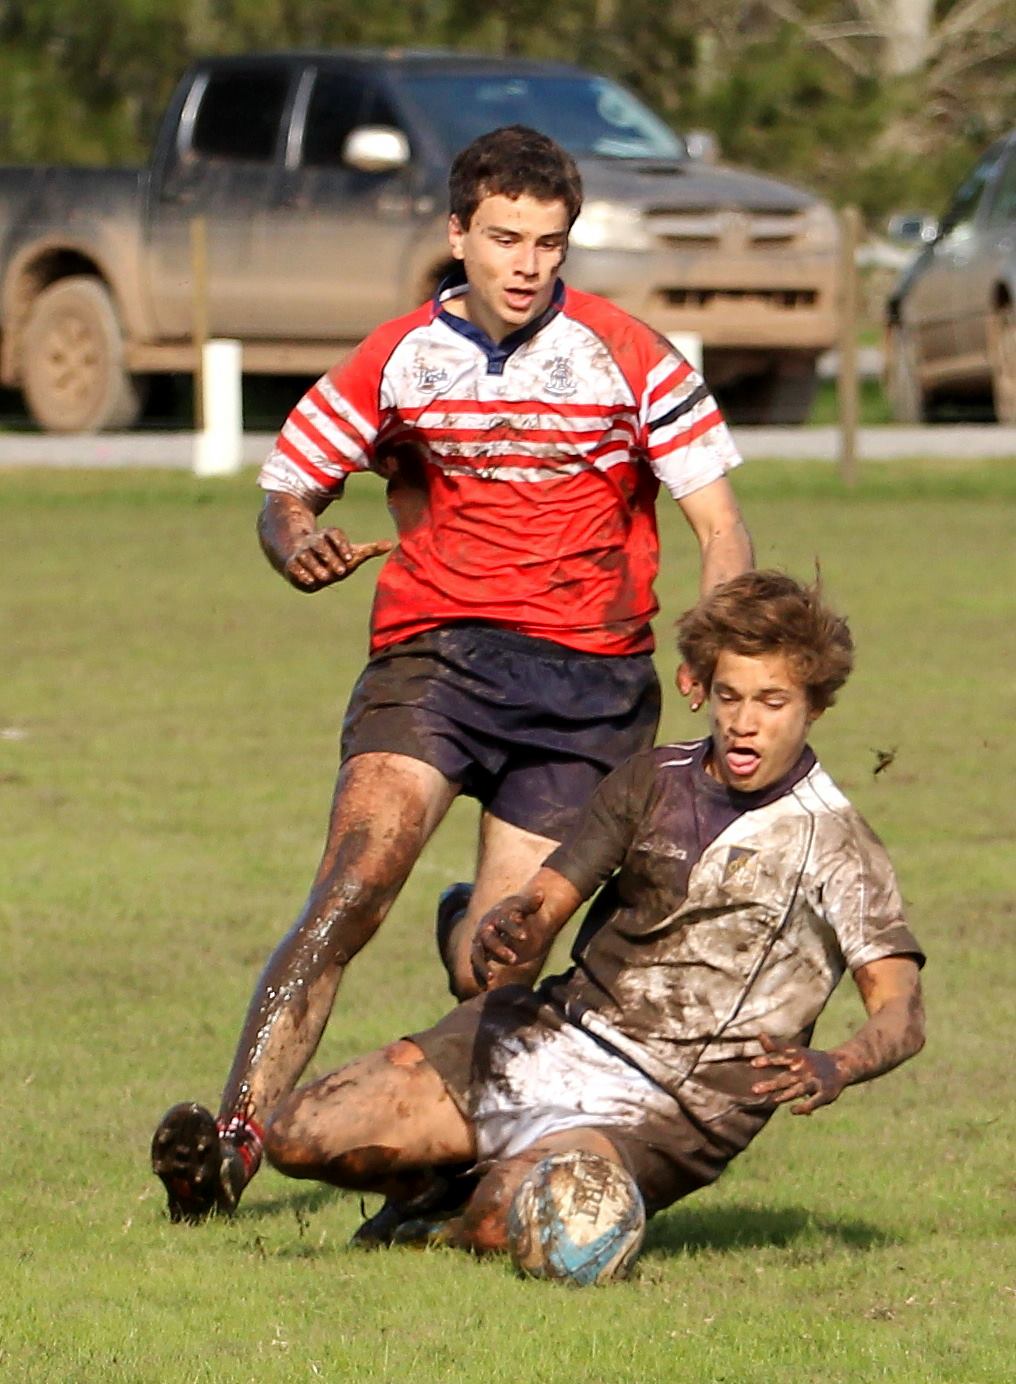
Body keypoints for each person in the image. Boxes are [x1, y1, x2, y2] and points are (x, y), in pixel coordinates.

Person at [151, 123, 752, 1223]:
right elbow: (287, 492)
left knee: (498, 961)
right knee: (346, 894)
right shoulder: (397, 357)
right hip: (438, 654)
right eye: (505, 238)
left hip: (590, 682)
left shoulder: (627, 352)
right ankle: (226, 1152)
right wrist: (297, 545)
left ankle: (432, 1178)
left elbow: (717, 520)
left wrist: (714, 636)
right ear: (457, 232)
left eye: (548, 243)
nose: (526, 264)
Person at [259, 570, 926, 1268]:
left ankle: (445, 1220)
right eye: (729, 696)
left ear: (814, 706)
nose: (743, 721)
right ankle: (429, 1186)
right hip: (556, 1036)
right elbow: (548, 900)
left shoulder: (839, 846)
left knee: (505, 1224)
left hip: (672, 1109)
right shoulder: (652, 781)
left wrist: (838, 1063)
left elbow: (901, 1012)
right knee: (301, 1135)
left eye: (771, 701)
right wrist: (513, 927)